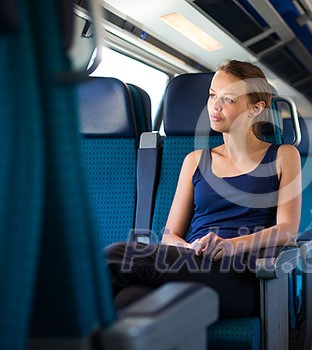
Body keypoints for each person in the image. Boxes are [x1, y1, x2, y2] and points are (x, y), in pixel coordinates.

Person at [105, 60, 302, 319]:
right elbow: (170, 236)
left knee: (119, 255)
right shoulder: (195, 161)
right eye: (212, 95)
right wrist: (192, 248)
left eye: (228, 99)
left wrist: (231, 246)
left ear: (256, 108)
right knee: (130, 300)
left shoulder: (283, 156)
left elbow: (287, 231)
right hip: (191, 262)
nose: (215, 106)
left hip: (242, 275)